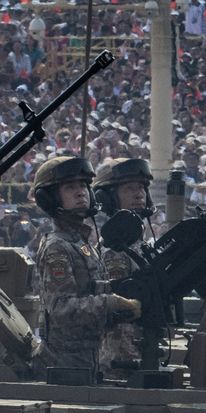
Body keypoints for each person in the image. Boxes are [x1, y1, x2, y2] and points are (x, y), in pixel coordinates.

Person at [28, 154, 140, 381]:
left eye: (83, 186)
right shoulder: (57, 248)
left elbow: (89, 288)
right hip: (65, 367)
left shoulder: (80, 243)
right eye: (70, 188)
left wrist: (120, 290)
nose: (80, 192)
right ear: (50, 198)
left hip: (88, 361)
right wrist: (111, 302)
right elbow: (61, 309)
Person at [92, 157, 155, 370]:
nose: (139, 194)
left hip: (140, 350)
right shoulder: (114, 251)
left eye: (141, 188)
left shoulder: (138, 244)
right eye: (129, 189)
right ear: (108, 199)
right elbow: (116, 311)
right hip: (121, 359)